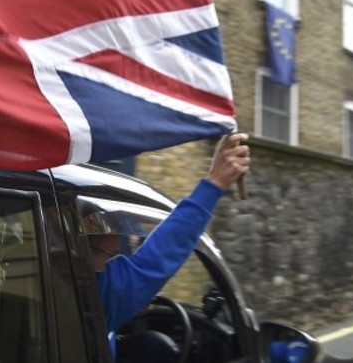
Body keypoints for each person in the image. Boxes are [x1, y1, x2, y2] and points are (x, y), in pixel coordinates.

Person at [85, 132, 250, 360]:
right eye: (107, 253)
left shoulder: (42, 291)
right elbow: (158, 257)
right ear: (77, 251)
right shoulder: (93, 293)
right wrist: (214, 183)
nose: (114, 262)